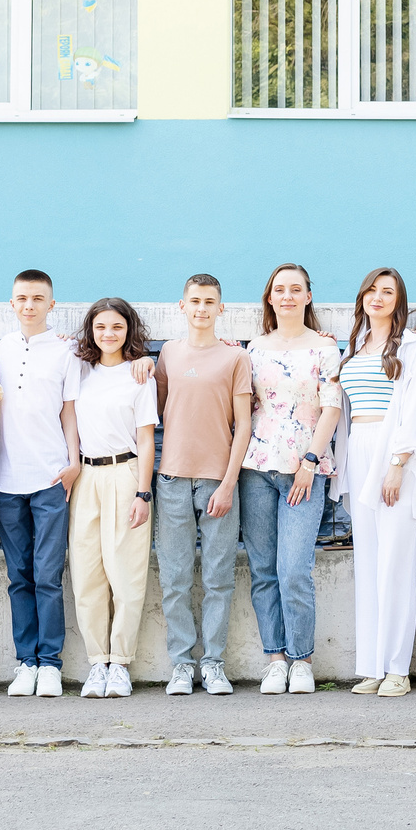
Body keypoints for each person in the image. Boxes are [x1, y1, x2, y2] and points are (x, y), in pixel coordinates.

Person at [237, 263, 344, 697]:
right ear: (269, 297)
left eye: (295, 289)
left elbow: (332, 407)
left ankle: (302, 659)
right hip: (257, 468)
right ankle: (275, 659)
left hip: (304, 471)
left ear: (307, 297)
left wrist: (311, 460)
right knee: (263, 569)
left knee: (294, 569)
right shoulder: (252, 348)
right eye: (279, 289)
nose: (286, 296)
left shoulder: (324, 347)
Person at [154, 275, 254, 696]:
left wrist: (229, 483)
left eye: (209, 301)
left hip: (217, 480)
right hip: (173, 479)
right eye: (194, 301)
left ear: (220, 308)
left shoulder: (235, 358)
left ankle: (212, 663)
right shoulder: (168, 354)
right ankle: (181, 664)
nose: (201, 308)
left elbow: (244, 424)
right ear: (182, 305)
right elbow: (160, 409)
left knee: (218, 578)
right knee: (174, 577)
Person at [338, 267, 416, 697]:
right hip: (359, 448)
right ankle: (372, 665)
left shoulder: (411, 346)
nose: (378, 297)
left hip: (395, 453)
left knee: (396, 561)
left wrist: (397, 463)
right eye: (372, 290)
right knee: (369, 563)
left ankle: (397, 668)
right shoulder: (355, 345)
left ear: (399, 300)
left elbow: (415, 407)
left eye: (388, 292)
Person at [0, 270, 84, 699]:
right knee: (19, 575)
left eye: (37, 298)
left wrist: (73, 461)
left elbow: (70, 412)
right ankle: (24, 661)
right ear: (11, 303)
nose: (29, 305)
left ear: (51, 304)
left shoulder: (66, 351)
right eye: (21, 298)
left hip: (51, 477)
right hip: (7, 479)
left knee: (48, 574)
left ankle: (50, 663)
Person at [71, 299, 160, 698]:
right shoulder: (79, 370)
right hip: (86, 475)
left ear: (129, 331)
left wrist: (143, 492)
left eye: (117, 327)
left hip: (126, 473)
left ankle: (120, 664)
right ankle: (97, 663)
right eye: (101, 326)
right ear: (91, 330)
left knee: (125, 574)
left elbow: (145, 439)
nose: (108, 334)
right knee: (87, 575)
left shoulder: (140, 375)